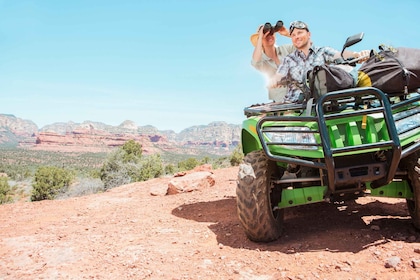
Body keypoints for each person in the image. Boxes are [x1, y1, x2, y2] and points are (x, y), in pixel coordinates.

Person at [271, 20, 369, 103]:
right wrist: (274, 81)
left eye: (300, 33)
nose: (296, 37)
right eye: (293, 35)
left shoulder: (322, 51)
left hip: (322, 103)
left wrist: (357, 54)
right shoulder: (289, 59)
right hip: (295, 106)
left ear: (309, 34)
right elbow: (279, 75)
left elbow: (340, 55)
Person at [250, 22, 296, 102]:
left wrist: (289, 34)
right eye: (266, 35)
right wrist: (260, 36)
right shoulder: (262, 60)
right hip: (280, 101)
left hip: (298, 95)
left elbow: (305, 46)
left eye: (271, 33)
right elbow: (255, 62)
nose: (269, 36)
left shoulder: (285, 49)